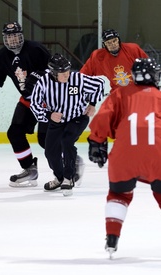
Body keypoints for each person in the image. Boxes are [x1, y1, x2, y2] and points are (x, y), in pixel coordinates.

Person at [0, 21, 85, 188]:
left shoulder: (35, 49)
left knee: (45, 140)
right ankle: (29, 169)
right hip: (28, 101)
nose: (13, 40)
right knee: (15, 133)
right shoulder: (1, 57)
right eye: (9, 37)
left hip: (47, 101)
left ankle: (71, 160)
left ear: (21, 36)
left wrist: (39, 75)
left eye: (15, 36)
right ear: (4, 38)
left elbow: (55, 69)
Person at [87, 57, 161, 258]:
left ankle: (112, 238)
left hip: (124, 155)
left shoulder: (119, 94)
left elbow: (102, 119)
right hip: (157, 154)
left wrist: (96, 142)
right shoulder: (159, 96)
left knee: (119, 195)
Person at [30, 53, 104, 196]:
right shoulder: (43, 82)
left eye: (67, 71)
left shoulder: (77, 78)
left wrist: (92, 104)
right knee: (50, 152)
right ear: (53, 73)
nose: (66, 75)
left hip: (77, 117)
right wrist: (48, 115)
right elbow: (34, 104)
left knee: (67, 141)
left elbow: (99, 84)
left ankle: (68, 178)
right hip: (56, 121)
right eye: (62, 73)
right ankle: (59, 178)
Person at [80, 29, 148, 93]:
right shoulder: (98, 56)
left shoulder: (133, 49)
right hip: (117, 95)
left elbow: (148, 66)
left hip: (137, 92)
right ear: (104, 45)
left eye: (114, 41)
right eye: (108, 43)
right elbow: (83, 74)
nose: (112, 44)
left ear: (119, 40)